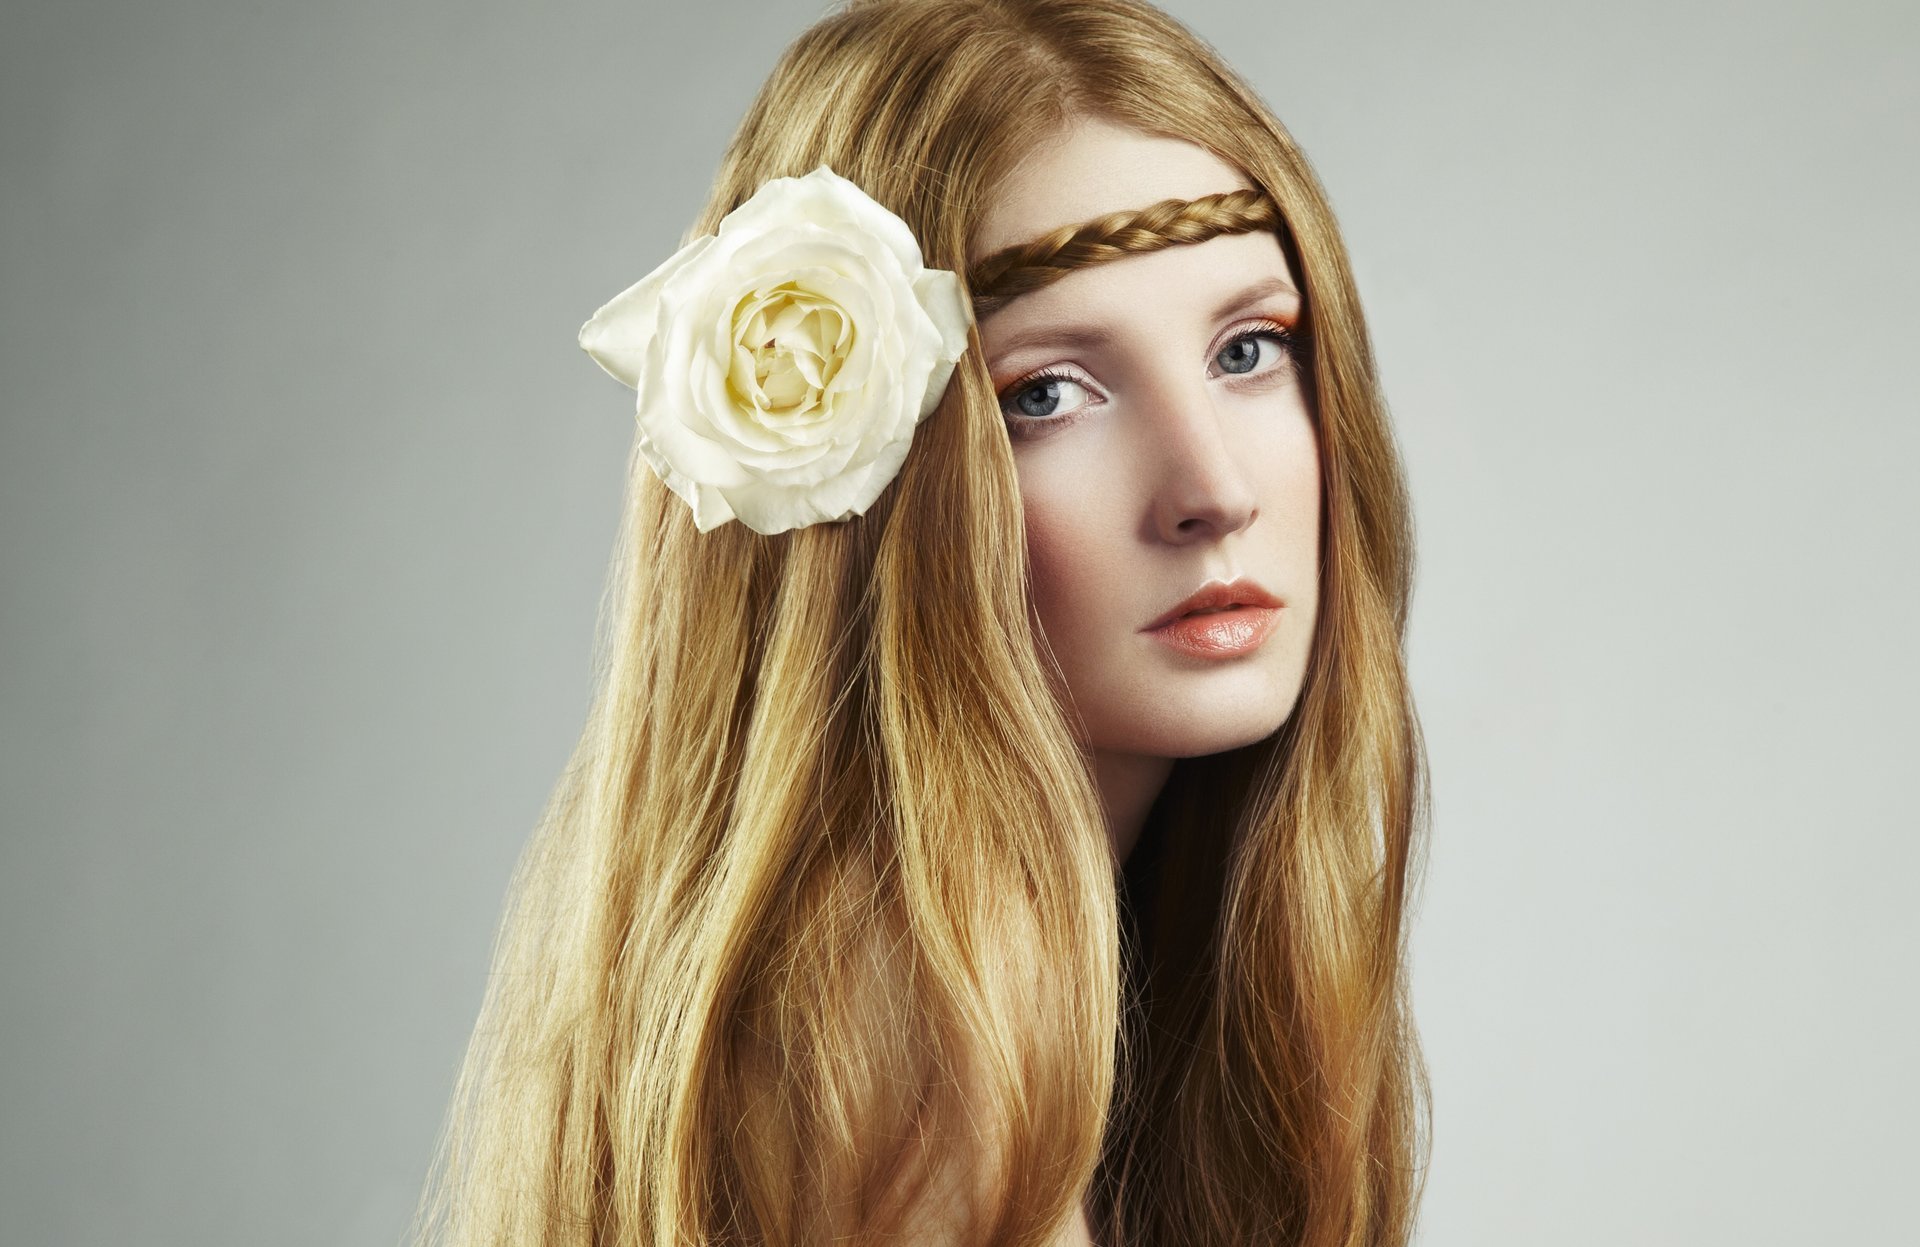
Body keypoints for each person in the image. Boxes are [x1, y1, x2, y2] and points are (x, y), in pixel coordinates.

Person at [408, 1, 1430, 1244]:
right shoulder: (924, 1035)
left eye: (1249, 348)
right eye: (1046, 394)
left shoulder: (980, 967)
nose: (1213, 489)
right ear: (866, 488)